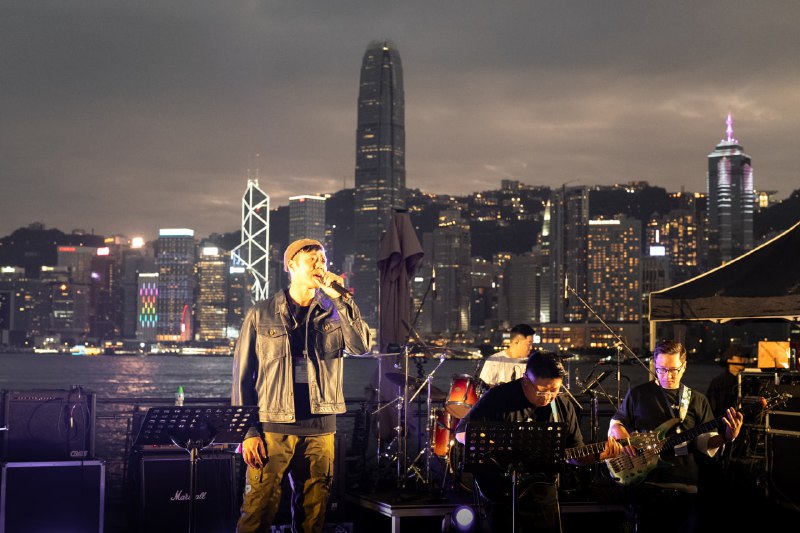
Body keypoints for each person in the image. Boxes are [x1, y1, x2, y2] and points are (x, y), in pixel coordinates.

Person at [231, 238, 371, 533]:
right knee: (257, 510)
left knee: (313, 517)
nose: (320, 266)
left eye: (323, 260)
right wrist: (248, 432)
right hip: (272, 427)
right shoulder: (260, 313)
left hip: (321, 427)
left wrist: (341, 299)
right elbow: (242, 378)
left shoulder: (334, 310)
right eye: (312, 261)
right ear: (291, 266)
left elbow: (361, 346)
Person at [455, 351, 623, 532]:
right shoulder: (498, 397)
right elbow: (461, 432)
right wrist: (498, 445)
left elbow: (574, 453)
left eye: (554, 390)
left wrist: (600, 456)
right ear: (526, 379)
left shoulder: (563, 405)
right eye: (542, 390)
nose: (548, 396)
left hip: (542, 496)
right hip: (500, 492)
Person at [608, 340, 744, 533]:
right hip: (645, 483)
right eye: (661, 369)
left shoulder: (697, 400)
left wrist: (726, 437)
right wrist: (624, 438)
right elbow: (617, 423)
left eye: (673, 370)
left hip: (685, 484)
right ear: (654, 365)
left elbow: (704, 441)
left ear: (684, 366)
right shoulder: (638, 394)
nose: (667, 375)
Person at [706, 346, 749, 417]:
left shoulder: (746, 380)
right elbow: (711, 407)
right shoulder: (717, 382)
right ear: (729, 360)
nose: (743, 360)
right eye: (740, 357)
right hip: (723, 420)